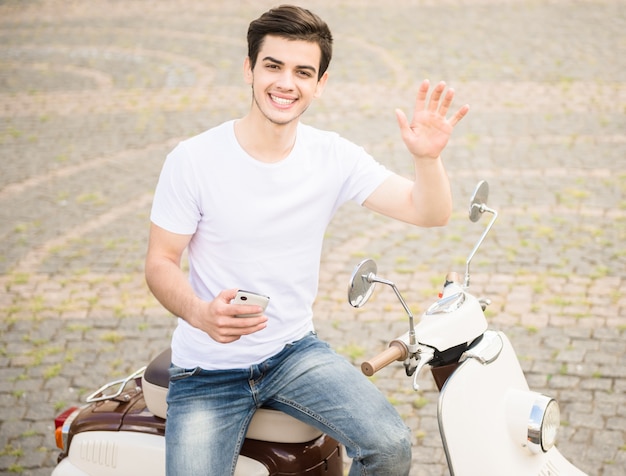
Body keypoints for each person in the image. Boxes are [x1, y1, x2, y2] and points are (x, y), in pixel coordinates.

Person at [145, 4, 469, 475]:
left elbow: (431, 212)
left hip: (293, 353)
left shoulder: (332, 155)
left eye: (303, 72)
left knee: (391, 446)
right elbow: (160, 261)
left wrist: (427, 158)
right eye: (272, 66)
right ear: (249, 69)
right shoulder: (193, 159)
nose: (285, 83)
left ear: (320, 83)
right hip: (207, 372)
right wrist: (200, 313)